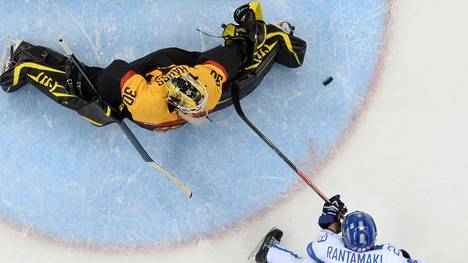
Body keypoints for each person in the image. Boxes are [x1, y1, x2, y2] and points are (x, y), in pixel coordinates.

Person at [0, 2, 306, 132]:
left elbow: (228, 61)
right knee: (91, 88)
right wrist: (108, 100)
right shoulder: (147, 102)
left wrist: (243, 41)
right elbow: (117, 71)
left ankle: (270, 40)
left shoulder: (207, 81)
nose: (199, 114)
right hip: (151, 73)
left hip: (178, 69)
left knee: (239, 77)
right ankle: (23, 60)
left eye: (196, 111)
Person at [252, 195, 425, 263]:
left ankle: (268, 254)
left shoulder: (327, 247)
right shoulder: (389, 257)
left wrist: (331, 215)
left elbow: (327, 231)